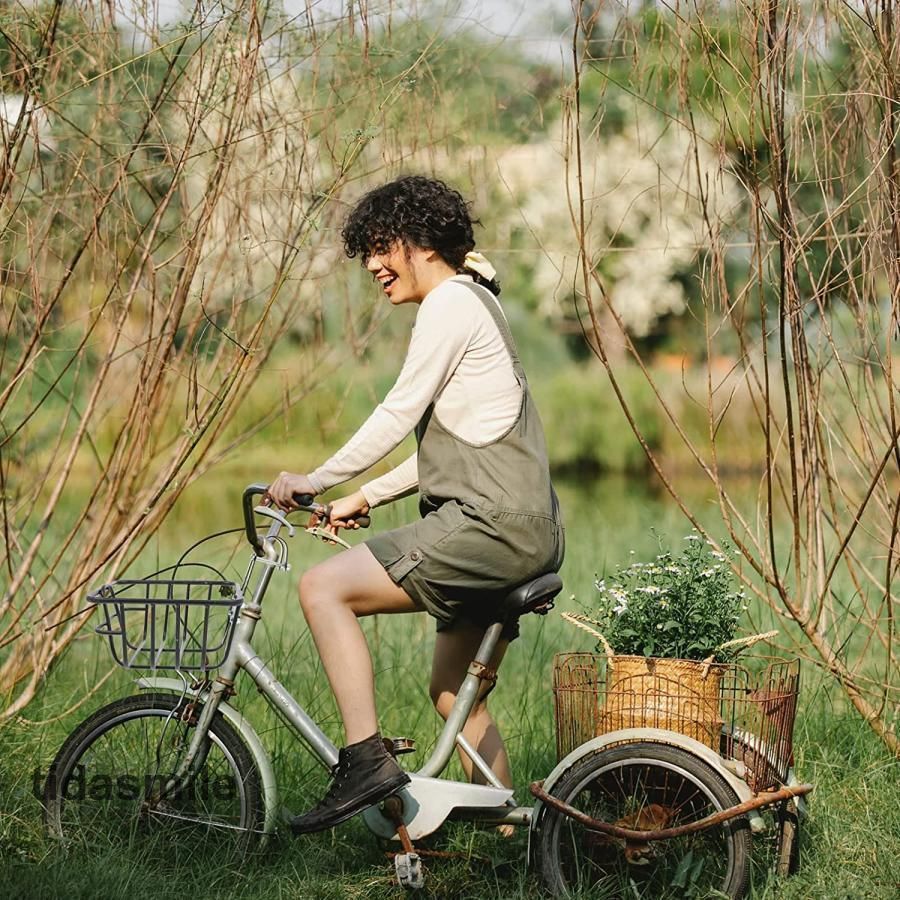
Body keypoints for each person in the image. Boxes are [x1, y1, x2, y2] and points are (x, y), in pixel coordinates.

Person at [265, 175, 564, 834]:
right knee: (452, 694)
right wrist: (363, 495)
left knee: (321, 588)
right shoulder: (478, 304)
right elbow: (451, 446)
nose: (373, 265)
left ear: (415, 240)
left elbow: (399, 410)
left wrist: (314, 478)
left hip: (489, 527)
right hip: (521, 527)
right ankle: (508, 832)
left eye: (379, 247)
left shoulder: (451, 306)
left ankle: (365, 759)